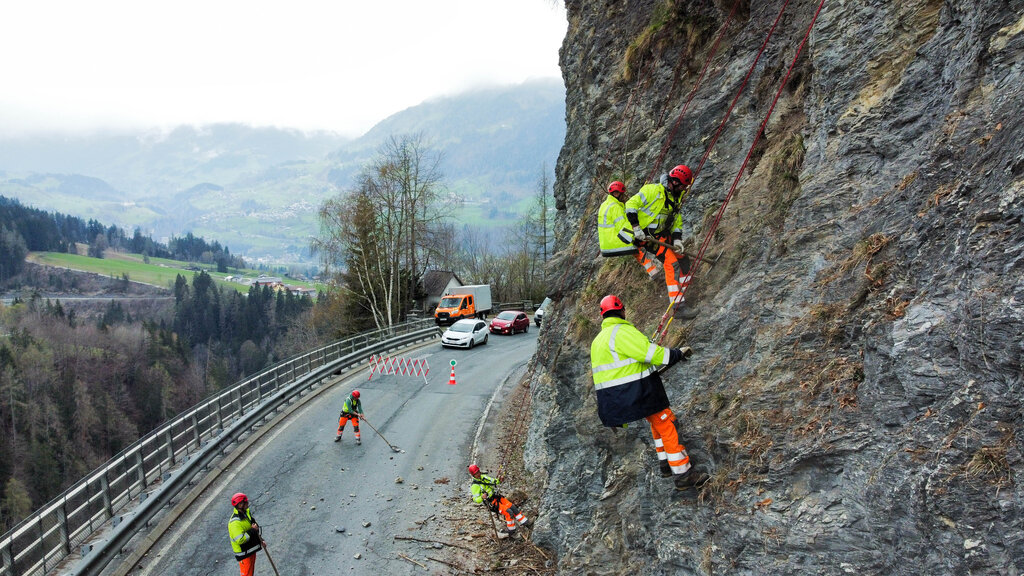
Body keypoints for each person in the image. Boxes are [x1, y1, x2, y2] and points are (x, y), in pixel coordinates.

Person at [589, 294, 707, 491]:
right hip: (637, 392)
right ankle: (683, 473)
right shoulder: (622, 332)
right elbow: (650, 354)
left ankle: (665, 465)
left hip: (618, 400)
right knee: (667, 421)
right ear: (622, 311)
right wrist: (677, 354)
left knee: (656, 421)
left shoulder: (598, 341)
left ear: (603, 315)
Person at [624, 165, 694, 306]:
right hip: (645, 237)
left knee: (683, 258)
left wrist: (677, 240)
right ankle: (678, 306)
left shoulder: (675, 198)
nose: (684, 189)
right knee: (671, 262)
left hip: (661, 235)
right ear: (674, 182)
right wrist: (636, 227)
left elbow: (676, 221)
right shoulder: (653, 190)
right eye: (683, 186)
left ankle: (685, 290)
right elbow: (630, 204)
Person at [598, 180, 659, 277]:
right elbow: (623, 226)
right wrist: (637, 235)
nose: (624, 196)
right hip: (615, 243)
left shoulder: (605, 205)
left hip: (607, 244)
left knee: (636, 249)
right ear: (617, 194)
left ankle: (653, 272)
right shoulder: (615, 207)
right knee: (639, 245)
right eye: (622, 194)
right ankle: (655, 272)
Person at [468, 464, 531, 535]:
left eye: (478, 472)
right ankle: (512, 530)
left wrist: (499, 480)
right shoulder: (475, 486)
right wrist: (482, 497)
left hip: (497, 497)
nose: (478, 474)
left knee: (513, 507)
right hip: (491, 503)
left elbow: (493, 481)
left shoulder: (484, 477)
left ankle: (525, 522)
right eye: (476, 474)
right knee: (509, 512)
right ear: (473, 475)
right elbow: (475, 499)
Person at [228, 492, 263, 576]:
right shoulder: (234, 523)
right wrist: (252, 530)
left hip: (250, 549)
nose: (248, 503)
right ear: (240, 505)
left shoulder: (246, 513)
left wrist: (261, 540)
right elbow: (240, 540)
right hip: (244, 554)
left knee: (250, 573)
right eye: (246, 502)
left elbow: (253, 525)